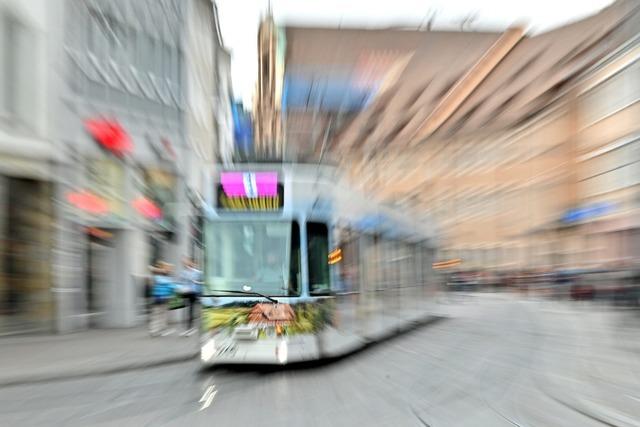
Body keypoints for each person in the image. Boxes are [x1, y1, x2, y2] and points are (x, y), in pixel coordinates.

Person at [149, 261, 176, 337]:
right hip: (159, 297)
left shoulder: (167, 275)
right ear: (163, 267)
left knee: (163, 314)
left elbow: (171, 286)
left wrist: (172, 291)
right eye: (168, 267)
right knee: (157, 314)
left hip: (166, 297)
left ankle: (160, 329)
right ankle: (153, 330)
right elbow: (166, 283)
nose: (169, 269)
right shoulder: (158, 275)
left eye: (170, 268)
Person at [178, 257, 202, 336]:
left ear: (195, 264)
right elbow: (180, 281)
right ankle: (184, 329)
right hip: (185, 292)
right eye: (189, 262)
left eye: (192, 263)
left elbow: (203, 282)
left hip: (193, 292)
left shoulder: (198, 272)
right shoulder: (184, 272)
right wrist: (180, 288)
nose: (190, 264)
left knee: (190, 310)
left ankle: (190, 328)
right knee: (184, 310)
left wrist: (197, 282)